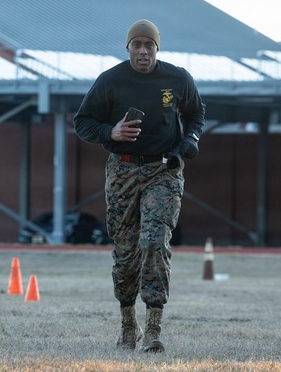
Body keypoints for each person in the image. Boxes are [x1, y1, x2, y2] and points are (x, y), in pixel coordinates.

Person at [72, 19, 205, 353]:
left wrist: (191, 138)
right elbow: (83, 122)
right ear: (128, 47)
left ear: (157, 48)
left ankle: (155, 329)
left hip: (164, 171)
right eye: (137, 45)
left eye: (149, 45)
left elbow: (195, 114)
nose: (143, 51)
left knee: (154, 243)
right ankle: (128, 325)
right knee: (127, 253)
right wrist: (110, 133)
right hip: (123, 172)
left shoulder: (177, 78)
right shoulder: (111, 80)